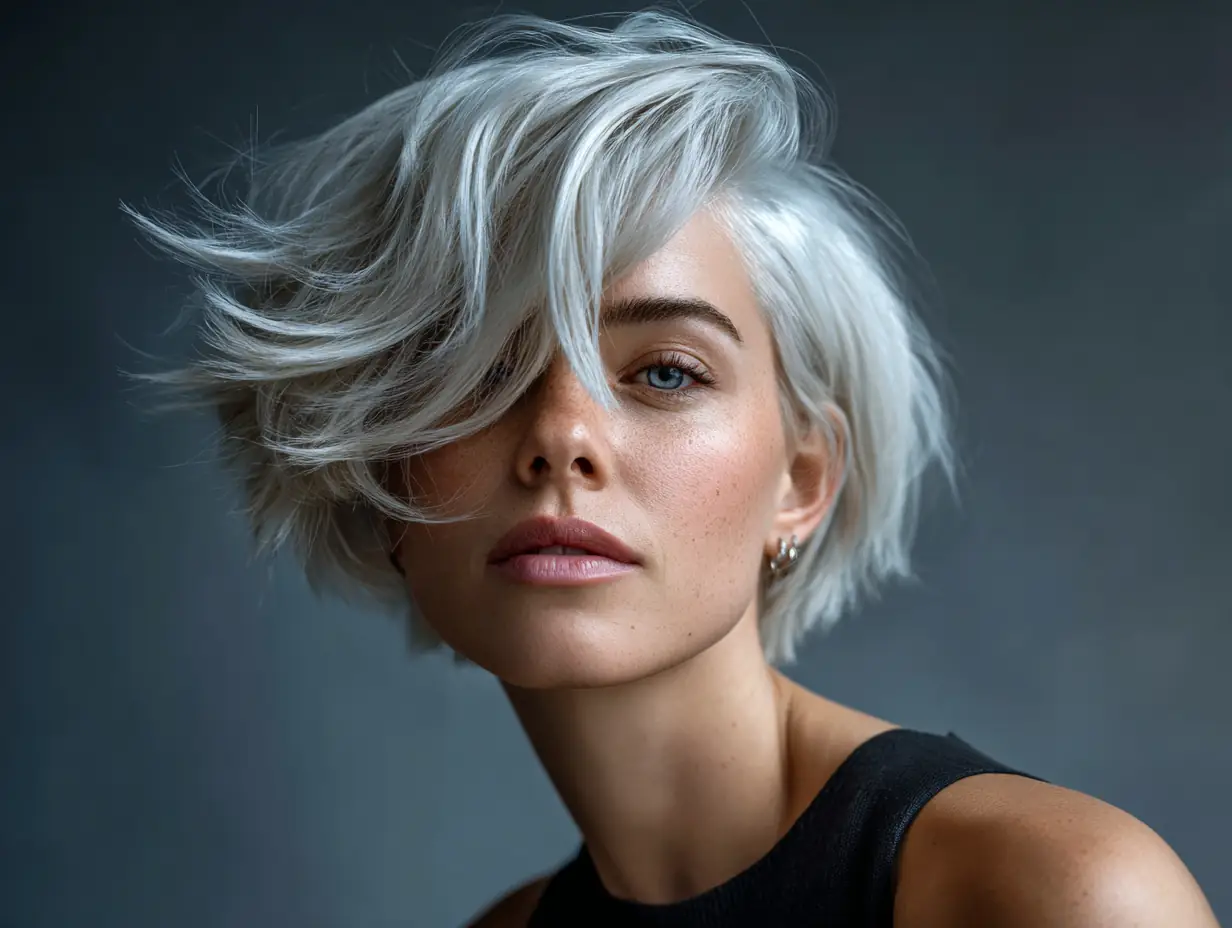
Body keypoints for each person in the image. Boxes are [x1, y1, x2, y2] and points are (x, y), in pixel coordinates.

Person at [126, 10, 1220, 927]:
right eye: (471, 371)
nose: (561, 435)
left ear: (800, 478)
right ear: (378, 478)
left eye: (661, 373)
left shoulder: (1049, 892)